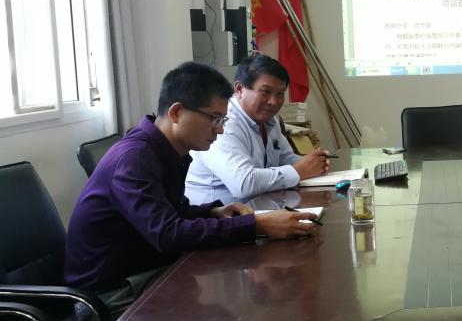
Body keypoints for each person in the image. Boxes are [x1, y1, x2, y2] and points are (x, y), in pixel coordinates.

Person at [65, 62, 318, 293]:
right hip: (113, 294)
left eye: (223, 119)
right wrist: (256, 225)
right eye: (214, 119)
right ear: (176, 112)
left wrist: (212, 213)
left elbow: (171, 213)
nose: (220, 129)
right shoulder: (134, 159)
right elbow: (167, 234)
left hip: (150, 273)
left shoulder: (169, 150)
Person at [186, 54, 329, 203]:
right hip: (219, 213)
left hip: (261, 206)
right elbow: (243, 184)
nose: (273, 102)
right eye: (265, 92)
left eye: (280, 94)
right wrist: (299, 171)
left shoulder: (269, 120)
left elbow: (286, 158)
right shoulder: (225, 123)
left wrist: (314, 163)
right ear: (239, 89)